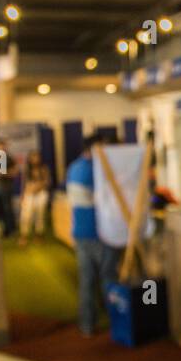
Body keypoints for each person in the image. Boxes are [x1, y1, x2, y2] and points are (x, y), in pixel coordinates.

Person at [66, 134, 121, 336]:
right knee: (108, 279)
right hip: (101, 233)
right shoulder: (97, 170)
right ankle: (118, 322)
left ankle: (87, 325)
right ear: (95, 148)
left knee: (87, 281)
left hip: (80, 233)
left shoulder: (73, 167)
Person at [18, 151, 50, 245]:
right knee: (26, 216)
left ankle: (39, 236)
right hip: (28, 194)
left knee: (39, 215)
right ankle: (24, 236)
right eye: (33, 157)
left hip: (41, 193)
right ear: (30, 158)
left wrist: (38, 187)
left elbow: (47, 182)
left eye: (37, 157)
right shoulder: (26, 169)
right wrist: (22, 195)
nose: (35, 159)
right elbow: (23, 184)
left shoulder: (44, 168)